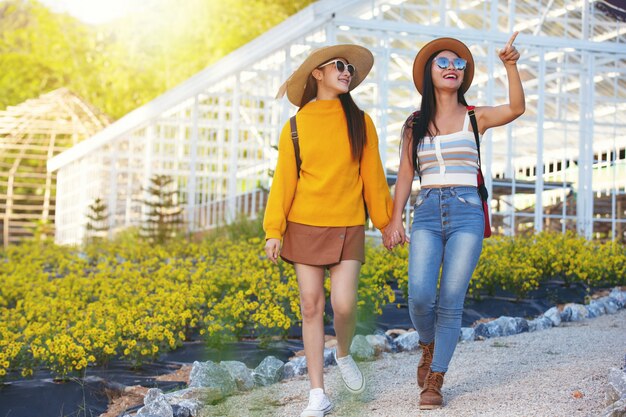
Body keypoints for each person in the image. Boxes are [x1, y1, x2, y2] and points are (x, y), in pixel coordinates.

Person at [384, 33, 525, 410]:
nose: (452, 68)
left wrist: (510, 65)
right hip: (427, 210)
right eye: (443, 62)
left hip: (466, 213)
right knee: (419, 296)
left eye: (459, 64)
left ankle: (436, 377)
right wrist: (394, 220)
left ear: (464, 75)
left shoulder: (476, 117)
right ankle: (428, 345)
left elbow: (515, 108)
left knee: (450, 299)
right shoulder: (414, 123)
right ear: (429, 73)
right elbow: (404, 174)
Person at [263, 44, 393, 417]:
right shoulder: (295, 126)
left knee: (344, 304)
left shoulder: (360, 122)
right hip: (303, 225)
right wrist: (274, 229)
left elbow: (373, 178)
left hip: (348, 223)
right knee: (311, 305)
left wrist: (386, 223)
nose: (347, 71)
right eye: (339, 65)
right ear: (317, 74)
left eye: (350, 67)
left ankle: (344, 352)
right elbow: (283, 183)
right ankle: (317, 394)